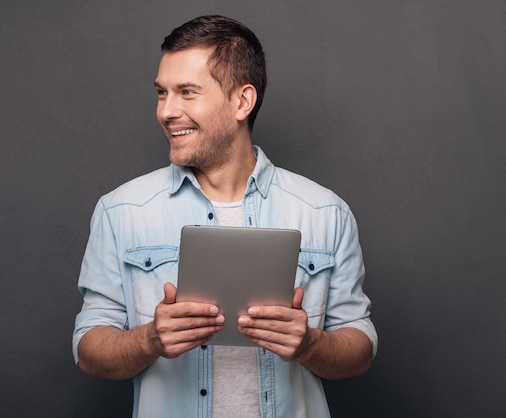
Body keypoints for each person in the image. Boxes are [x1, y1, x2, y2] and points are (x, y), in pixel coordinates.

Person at [73, 15, 377, 418]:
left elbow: (359, 347)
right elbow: (89, 349)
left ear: (242, 101)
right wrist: (149, 340)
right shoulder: (121, 211)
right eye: (162, 93)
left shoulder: (324, 212)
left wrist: (308, 344)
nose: (167, 111)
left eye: (187, 92)